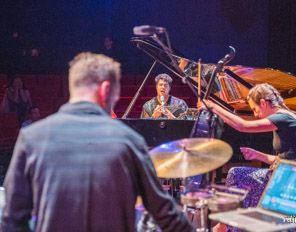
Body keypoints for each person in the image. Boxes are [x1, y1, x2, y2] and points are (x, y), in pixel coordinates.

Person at [1, 52, 194, 232]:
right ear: (106, 89)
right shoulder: (130, 142)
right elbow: (165, 214)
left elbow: (12, 219)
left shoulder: (32, 138)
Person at [200, 83, 296, 208]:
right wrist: (257, 155)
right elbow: (284, 159)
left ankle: (231, 224)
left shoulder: (282, 118)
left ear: (263, 103)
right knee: (249, 189)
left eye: (255, 109)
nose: (255, 115)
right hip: (291, 172)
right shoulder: (286, 117)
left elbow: (242, 126)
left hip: (292, 176)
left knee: (236, 174)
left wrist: (213, 107)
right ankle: (240, 223)